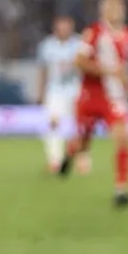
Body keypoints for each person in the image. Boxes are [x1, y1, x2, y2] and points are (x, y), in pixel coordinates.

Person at [59, 0, 128, 207]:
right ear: (103, 11)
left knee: (123, 138)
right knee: (83, 142)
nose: (117, 10)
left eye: (120, 6)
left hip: (114, 97)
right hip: (91, 97)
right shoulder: (93, 33)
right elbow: (79, 61)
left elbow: (123, 67)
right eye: (112, 7)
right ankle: (70, 154)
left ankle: (121, 190)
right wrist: (107, 71)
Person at [35, 15, 81, 172]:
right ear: (55, 28)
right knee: (53, 124)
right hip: (55, 91)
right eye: (61, 27)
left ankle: (81, 158)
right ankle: (54, 159)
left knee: (80, 126)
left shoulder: (79, 44)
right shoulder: (47, 46)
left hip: (76, 90)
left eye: (67, 27)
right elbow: (42, 70)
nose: (64, 30)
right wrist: (40, 92)